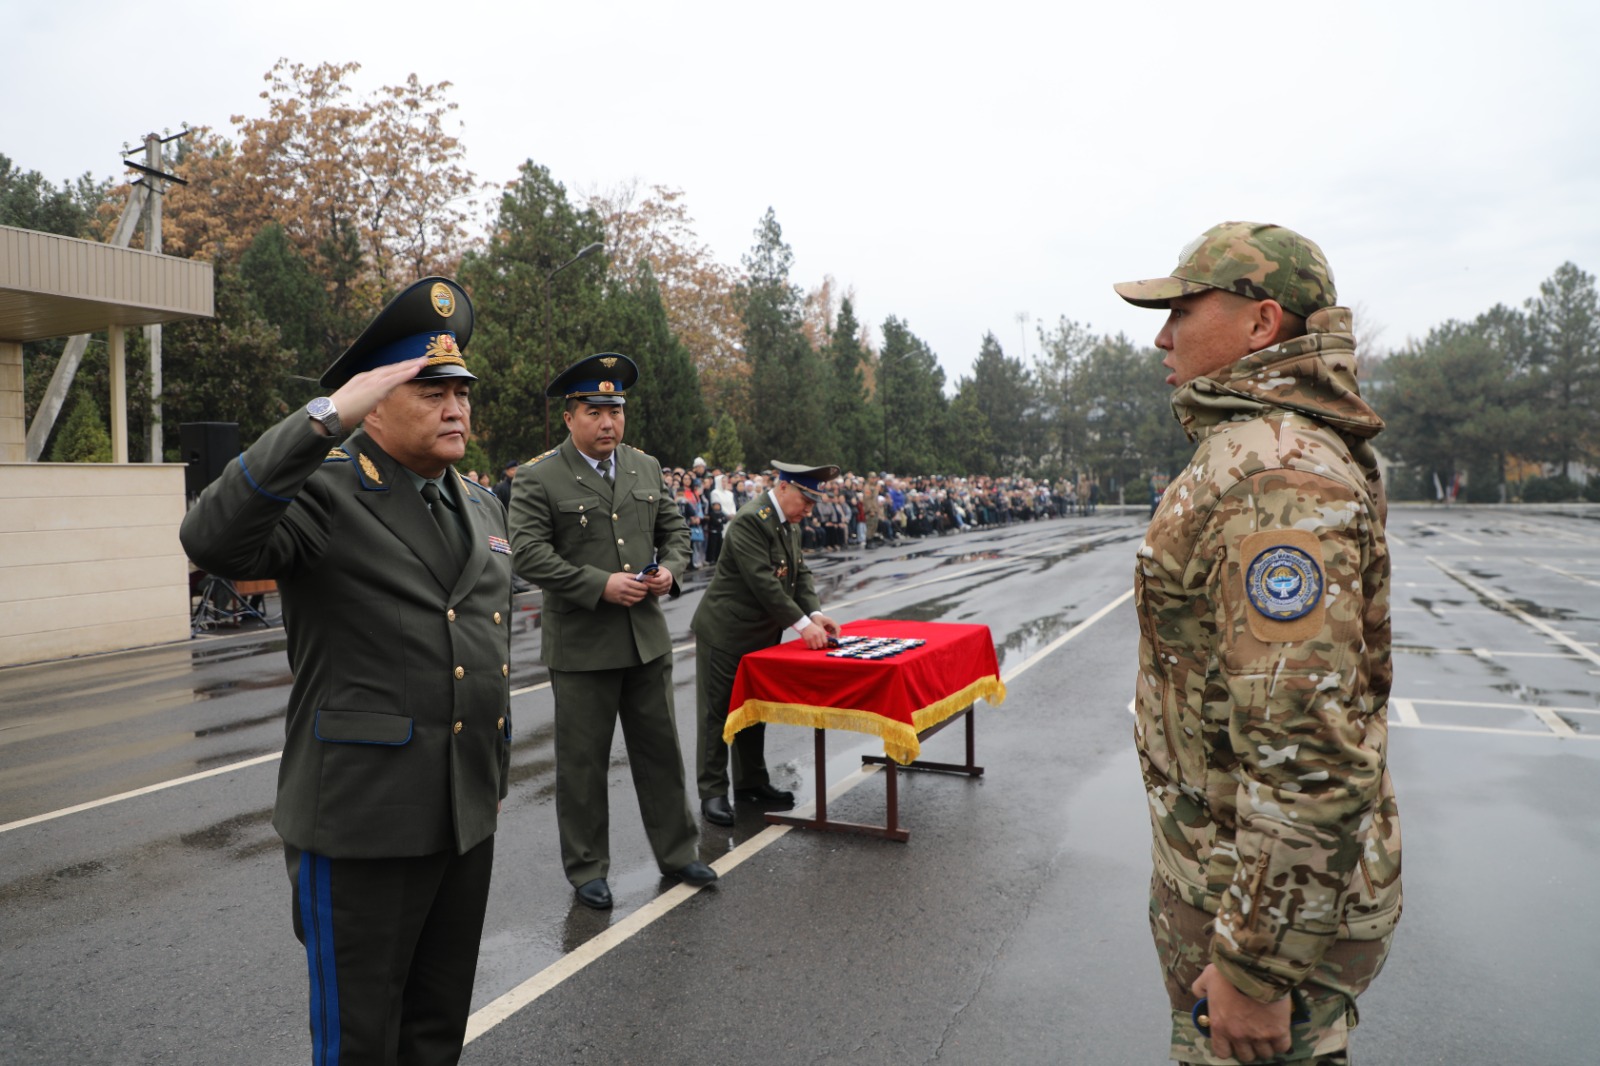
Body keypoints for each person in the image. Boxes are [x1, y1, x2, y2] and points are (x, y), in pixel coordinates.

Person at [180, 277, 512, 1065]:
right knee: (360, 1040)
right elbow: (212, 540)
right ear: (373, 399)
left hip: (463, 814)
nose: (455, 406)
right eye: (428, 388)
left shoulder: (482, 506)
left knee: (436, 1032)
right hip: (363, 821)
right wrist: (323, 419)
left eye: (461, 390)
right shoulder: (325, 493)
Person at [1114, 222, 1402, 1066]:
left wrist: (1255, 966)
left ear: (1261, 322)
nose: (1162, 335)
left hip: (1251, 913)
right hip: (1231, 884)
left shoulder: (1278, 476)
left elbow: (1307, 747)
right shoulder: (1261, 450)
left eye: (1182, 309)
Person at [506, 352, 717, 910]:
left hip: (645, 638)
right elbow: (526, 552)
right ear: (570, 415)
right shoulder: (538, 476)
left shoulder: (644, 467)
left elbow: (674, 529)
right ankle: (587, 867)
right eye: (595, 411)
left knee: (661, 753)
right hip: (581, 645)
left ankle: (677, 851)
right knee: (582, 762)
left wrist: (672, 569)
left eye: (616, 411)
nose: (608, 423)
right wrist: (598, 584)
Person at [691, 461, 842, 825]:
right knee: (717, 715)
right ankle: (712, 793)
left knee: (752, 711)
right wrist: (803, 626)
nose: (808, 509)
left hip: (758, 636)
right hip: (726, 632)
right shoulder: (750, 520)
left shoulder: (788, 523)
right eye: (805, 499)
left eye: (812, 502)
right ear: (784, 487)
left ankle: (750, 783)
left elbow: (798, 572)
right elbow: (763, 583)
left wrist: (816, 612)